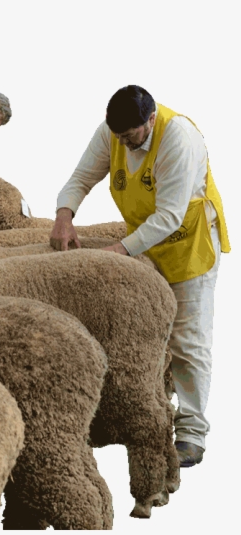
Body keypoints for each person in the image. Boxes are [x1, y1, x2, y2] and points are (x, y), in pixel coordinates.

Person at [50, 85, 230, 468]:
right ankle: (152, 416)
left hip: (187, 246)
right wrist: (64, 215)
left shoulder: (177, 138)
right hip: (144, 245)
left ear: (150, 120)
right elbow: (81, 177)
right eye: (118, 136)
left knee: (188, 339)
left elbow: (169, 216)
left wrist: (117, 253)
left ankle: (192, 434)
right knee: (147, 337)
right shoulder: (113, 132)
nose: (123, 143)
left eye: (130, 136)